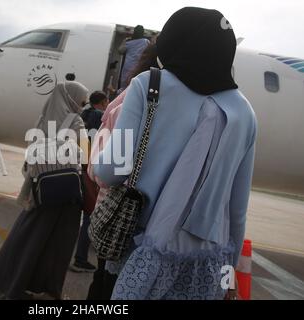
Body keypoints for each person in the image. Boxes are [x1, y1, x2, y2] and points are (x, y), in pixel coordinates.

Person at [93, 7, 257, 300]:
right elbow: (238, 208)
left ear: (172, 41)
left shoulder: (149, 85)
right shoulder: (245, 112)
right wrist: (227, 273)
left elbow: (111, 170)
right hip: (205, 264)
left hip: (141, 248)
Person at [0, 81, 89, 300]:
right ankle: (47, 288)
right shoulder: (76, 121)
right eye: (81, 101)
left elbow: (31, 157)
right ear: (71, 99)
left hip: (40, 189)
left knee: (27, 236)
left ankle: (6, 280)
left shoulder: (41, 119)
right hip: (65, 193)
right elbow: (85, 156)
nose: (82, 105)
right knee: (56, 245)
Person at [86, 42, 160, 300]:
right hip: (126, 213)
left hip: (112, 207)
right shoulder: (139, 95)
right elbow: (106, 168)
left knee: (105, 276)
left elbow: (98, 167)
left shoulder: (128, 95)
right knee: (110, 280)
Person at [70, 91, 109, 273]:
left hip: (78, 165)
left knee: (81, 213)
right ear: (102, 102)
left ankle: (75, 255)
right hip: (90, 168)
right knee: (90, 214)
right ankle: (80, 258)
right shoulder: (98, 116)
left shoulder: (83, 114)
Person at [118, 25, 150, 91]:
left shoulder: (129, 42)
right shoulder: (146, 41)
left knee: (124, 87)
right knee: (135, 86)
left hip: (128, 68)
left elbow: (120, 51)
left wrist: (125, 41)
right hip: (139, 68)